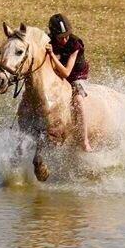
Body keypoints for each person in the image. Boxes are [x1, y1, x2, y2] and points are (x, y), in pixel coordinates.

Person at [46, 13, 93, 152]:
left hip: (76, 76)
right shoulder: (48, 41)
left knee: (78, 99)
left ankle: (84, 141)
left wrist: (52, 55)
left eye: (67, 35)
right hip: (58, 76)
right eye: (61, 37)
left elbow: (66, 72)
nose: (65, 39)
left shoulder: (75, 44)